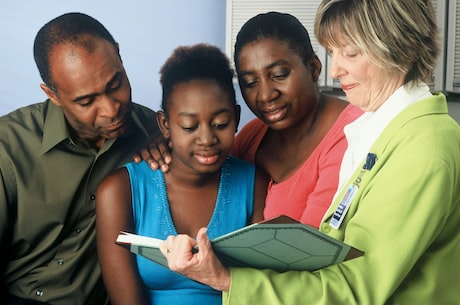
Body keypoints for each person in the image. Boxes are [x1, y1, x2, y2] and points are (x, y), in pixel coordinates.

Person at [159, 1, 460, 304]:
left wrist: (225, 279)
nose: (335, 69)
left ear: (399, 45)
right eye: (333, 53)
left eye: (350, 53)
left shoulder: (424, 149)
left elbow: (355, 287)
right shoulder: (381, 131)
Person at [140, 12, 362, 228]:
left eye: (279, 75)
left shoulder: (353, 134)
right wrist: (169, 147)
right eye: (250, 82)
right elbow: (213, 178)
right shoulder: (252, 136)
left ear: (313, 68)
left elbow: (311, 247)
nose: (265, 95)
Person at [0, 12, 161, 305]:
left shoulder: (157, 134)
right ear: (53, 94)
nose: (111, 109)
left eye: (116, 84)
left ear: (119, 56)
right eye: (86, 101)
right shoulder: (8, 147)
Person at [95, 43, 267, 305]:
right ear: (165, 124)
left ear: (236, 117)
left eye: (221, 124)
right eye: (189, 126)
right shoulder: (120, 190)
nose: (207, 139)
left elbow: (262, 289)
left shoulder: (254, 184)